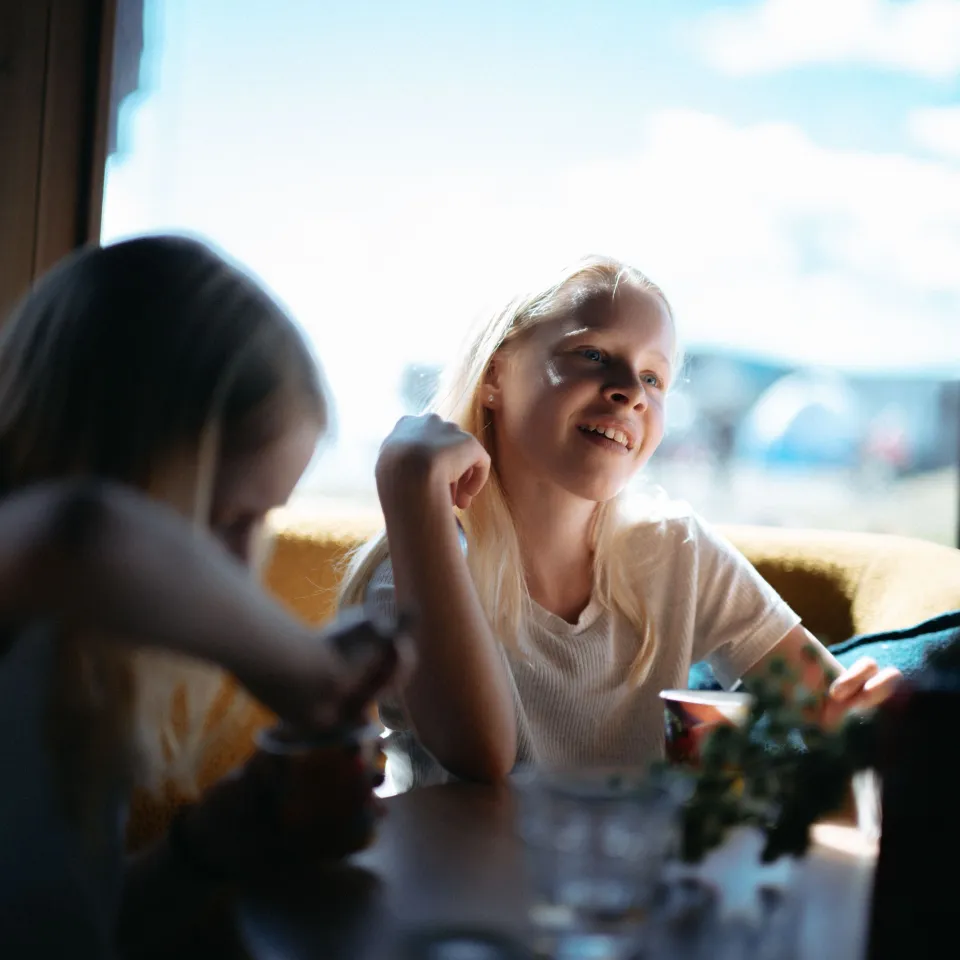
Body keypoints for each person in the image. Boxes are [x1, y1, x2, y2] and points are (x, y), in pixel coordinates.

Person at [339, 254, 901, 795]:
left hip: (627, 887)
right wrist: (415, 499)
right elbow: (480, 755)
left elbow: (823, 704)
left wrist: (845, 720)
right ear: (494, 376)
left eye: (654, 378)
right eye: (591, 354)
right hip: (461, 888)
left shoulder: (678, 551)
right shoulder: (415, 570)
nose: (630, 391)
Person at [0, 236, 406, 957]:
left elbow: (71, 932)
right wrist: (309, 672)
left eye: (265, 520)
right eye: (225, 520)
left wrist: (209, 845)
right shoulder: (24, 601)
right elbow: (82, 532)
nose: (242, 562)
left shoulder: (86, 679)